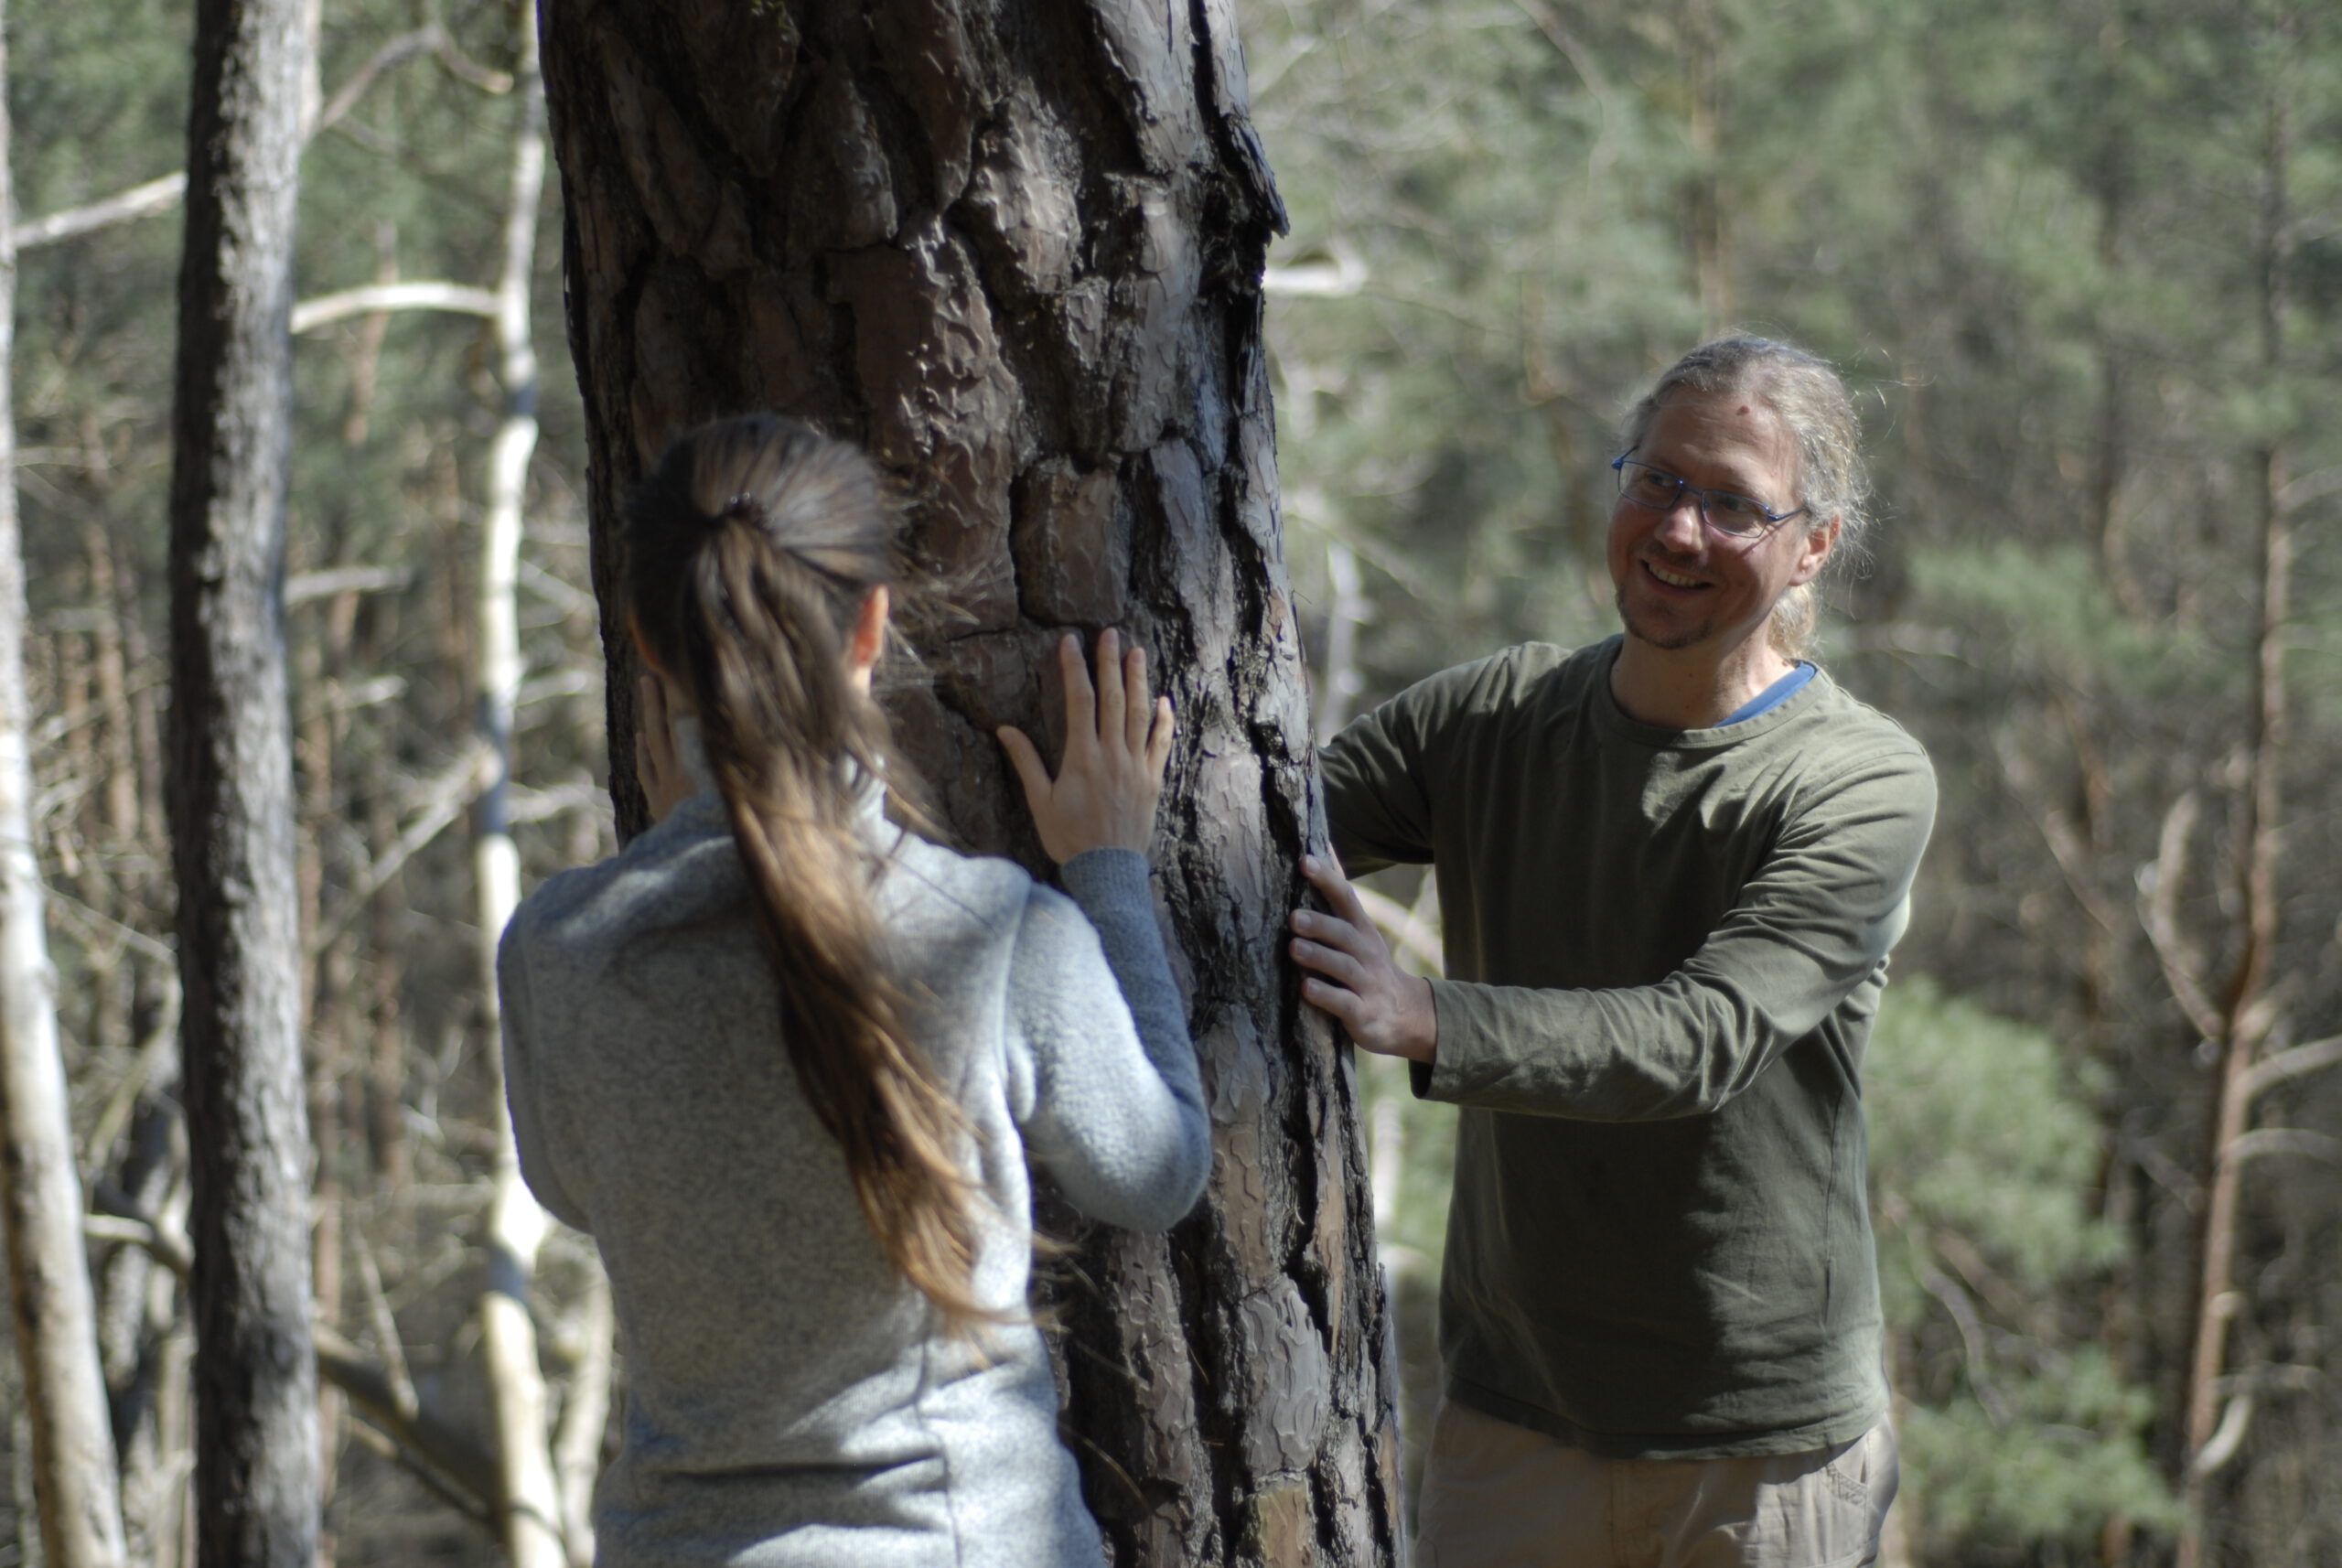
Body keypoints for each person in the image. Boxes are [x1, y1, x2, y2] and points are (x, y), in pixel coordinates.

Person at [496, 413, 1209, 1568]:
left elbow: (570, 1189)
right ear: (872, 622)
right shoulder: (990, 928)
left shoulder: (556, 947)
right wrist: (1109, 874)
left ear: (645, 643)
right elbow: (1157, 1173)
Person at [1291, 338, 1938, 1566]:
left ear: (1813, 544)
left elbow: (1703, 1036)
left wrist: (1425, 1015)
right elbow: (1255, 829)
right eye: (1658, 480)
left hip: (1761, 1451)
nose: (1680, 529)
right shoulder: (1491, 719)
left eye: (1735, 504)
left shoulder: (1857, 780)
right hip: (1516, 1421)